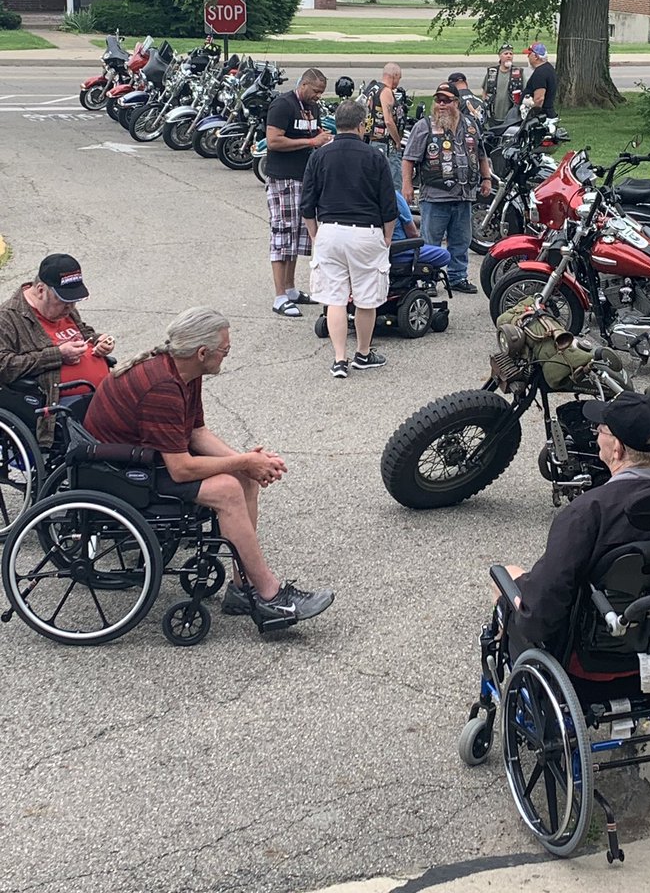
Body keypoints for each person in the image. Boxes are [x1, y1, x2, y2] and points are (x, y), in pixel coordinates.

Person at [84, 306, 334, 626]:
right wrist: (244, 461)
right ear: (202, 352)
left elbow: (196, 433)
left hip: (143, 458)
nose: (226, 356)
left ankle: (243, 588)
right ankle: (271, 596)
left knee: (243, 480)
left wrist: (247, 465)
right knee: (227, 490)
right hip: (120, 472)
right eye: (224, 351)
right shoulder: (163, 386)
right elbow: (180, 469)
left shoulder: (184, 371)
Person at [498, 391, 650, 665]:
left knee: (506, 577)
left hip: (588, 662)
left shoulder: (588, 512)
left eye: (600, 429)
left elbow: (541, 612)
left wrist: (519, 610)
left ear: (617, 448)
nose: (596, 434)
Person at [302, 100, 397, 378]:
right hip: (365, 231)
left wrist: (315, 234)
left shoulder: (319, 156)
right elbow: (388, 205)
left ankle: (339, 358)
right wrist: (387, 237)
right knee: (366, 299)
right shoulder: (375, 156)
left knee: (335, 298)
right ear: (361, 125)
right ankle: (363, 353)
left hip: (330, 230)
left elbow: (307, 203)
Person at [0, 254, 115, 444]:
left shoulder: (62, 308)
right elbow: (3, 365)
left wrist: (98, 341)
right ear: (40, 290)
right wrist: (58, 355)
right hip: (60, 403)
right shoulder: (8, 318)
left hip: (100, 392)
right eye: (64, 300)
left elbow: (84, 331)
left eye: (74, 300)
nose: (70, 306)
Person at [401, 82, 491, 295]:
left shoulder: (470, 125)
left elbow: (481, 155)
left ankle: (458, 277)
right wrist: (406, 185)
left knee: (461, 240)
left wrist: (486, 178)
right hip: (435, 196)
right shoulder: (424, 126)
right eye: (438, 100)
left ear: (456, 103)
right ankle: (427, 279)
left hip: (464, 196)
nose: (441, 104)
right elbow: (408, 158)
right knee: (430, 242)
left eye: (446, 100)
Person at [265, 67, 332, 319]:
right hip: (283, 178)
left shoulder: (312, 108)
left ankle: (291, 289)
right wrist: (311, 142)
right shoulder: (283, 105)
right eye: (316, 91)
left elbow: (313, 134)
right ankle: (279, 296)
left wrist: (322, 138)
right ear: (303, 85)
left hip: (304, 177)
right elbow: (273, 141)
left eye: (321, 92)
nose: (318, 96)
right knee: (282, 234)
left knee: (296, 235)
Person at [362, 61, 404, 187]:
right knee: (393, 183)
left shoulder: (373, 89)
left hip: (371, 141)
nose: (398, 82)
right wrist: (397, 141)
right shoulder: (386, 91)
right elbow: (388, 121)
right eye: (399, 78)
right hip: (386, 144)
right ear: (394, 76)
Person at [392, 191, 452, 268]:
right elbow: (413, 234)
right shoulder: (393, 196)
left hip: (381, 250)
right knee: (444, 255)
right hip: (397, 250)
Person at [482, 44, 525, 126]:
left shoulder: (518, 73)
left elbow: (525, 92)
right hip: (493, 116)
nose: (509, 56)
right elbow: (485, 93)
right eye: (506, 54)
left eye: (511, 54)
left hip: (513, 117)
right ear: (500, 56)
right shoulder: (492, 72)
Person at [523, 42, 558, 117]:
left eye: (529, 54)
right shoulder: (548, 68)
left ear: (536, 56)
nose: (528, 57)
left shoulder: (540, 73)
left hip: (542, 116)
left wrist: (531, 114)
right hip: (549, 112)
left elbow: (539, 99)